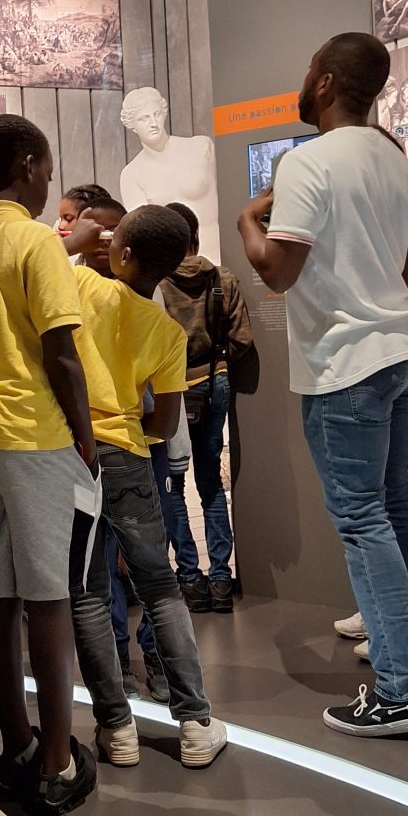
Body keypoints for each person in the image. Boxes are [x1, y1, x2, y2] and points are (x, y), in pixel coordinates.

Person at [238, 32, 408, 737]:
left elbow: (276, 272)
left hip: (347, 363)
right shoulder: (398, 160)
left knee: (361, 517)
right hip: (405, 350)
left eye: (308, 67)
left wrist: (246, 220)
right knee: (395, 501)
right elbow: (407, 273)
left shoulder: (306, 161)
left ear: (323, 80)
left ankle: (404, 687)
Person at [0, 114, 99, 816]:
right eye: (48, 169)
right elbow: (61, 350)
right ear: (28, 164)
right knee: (50, 596)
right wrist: (86, 437)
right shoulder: (36, 240)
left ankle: (18, 748)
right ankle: (59, 762)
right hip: (31, 433)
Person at [70, 204, 228, 769]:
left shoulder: (82, 285)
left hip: (72, 452)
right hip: (130, 457)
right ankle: (195, 724)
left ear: (122, 252)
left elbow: (40, 261)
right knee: (160, 588)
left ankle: (117, 729)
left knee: (88, 592)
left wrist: (80, 241)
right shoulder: (168, 332)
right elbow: (164, 421)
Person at [67, 196, 172, 702]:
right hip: (106, 444)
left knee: (124, 568)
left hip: (110, 444)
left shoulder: (102, 289)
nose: (99, 241)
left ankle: (146, 670)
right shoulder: (77, 286)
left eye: (111, 234)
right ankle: (128, 669)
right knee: (114, 567)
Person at [159, 201, 254, 615]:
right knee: (211, 482)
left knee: (174, 483)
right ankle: (220, 582)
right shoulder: (223, 278)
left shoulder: (156, 283)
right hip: (215, 380)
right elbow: (242, 340)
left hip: (171, 388)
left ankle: (190, 580)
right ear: (195, 236)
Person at [119, 87, 220, 261]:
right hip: (172, 268)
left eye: (157, 114)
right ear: (132, 126)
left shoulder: (200, 147)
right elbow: (143, 235)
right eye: (144, 118)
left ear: (164, 114)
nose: (153, 123)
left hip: (219, 257)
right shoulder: (131, 175)